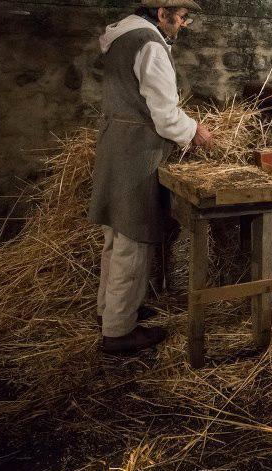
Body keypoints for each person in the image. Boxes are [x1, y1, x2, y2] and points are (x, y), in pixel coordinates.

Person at [89, 0, 212, 354]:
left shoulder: (118, 37)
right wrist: (195, 133)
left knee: (115, 236)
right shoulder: (150, 44)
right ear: (162, 13)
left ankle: (110, 311)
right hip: (136, 151)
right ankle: (118, 332)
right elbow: (165, 115)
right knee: (133, 238)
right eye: (182, 16)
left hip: (115, 141)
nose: (183, 24)